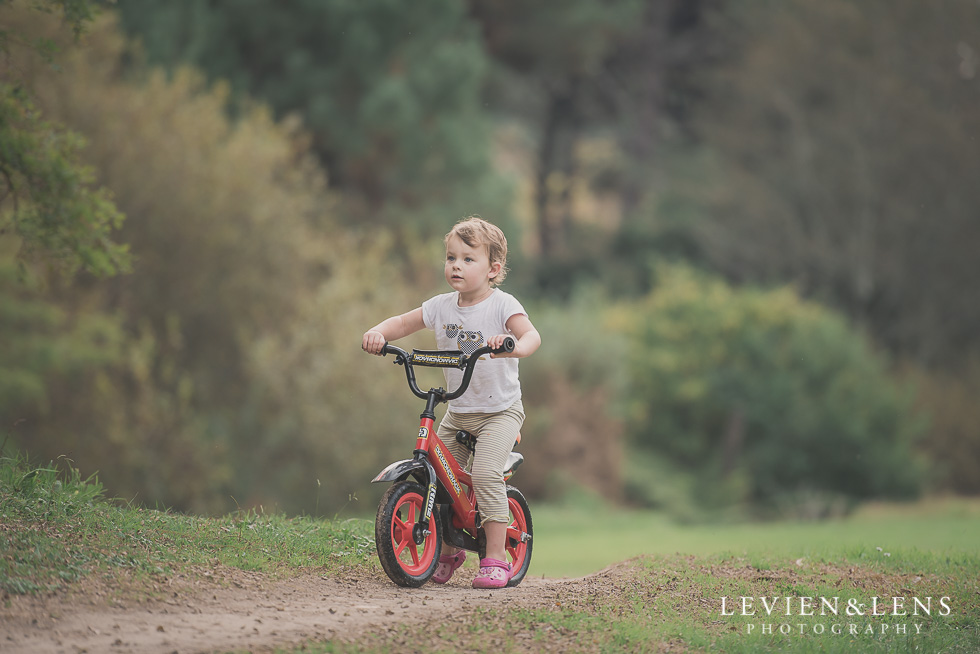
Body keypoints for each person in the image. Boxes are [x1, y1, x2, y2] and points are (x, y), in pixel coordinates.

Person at [362, 216, 541, 589]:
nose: (456, 265)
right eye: (451, 258)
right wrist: (379, 332)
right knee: (443, 482)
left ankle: (494, 558)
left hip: (500, 412)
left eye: (467, 259)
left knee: (486, 475)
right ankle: (447, 550)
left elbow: (531, 336)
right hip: (458, 412)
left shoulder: (502, 305)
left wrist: (512, 349)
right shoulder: (442, 307)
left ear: (493, 268)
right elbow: (403, 322)